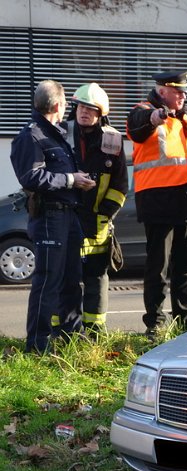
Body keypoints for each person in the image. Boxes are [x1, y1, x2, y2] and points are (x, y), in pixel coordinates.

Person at [10, 80, 96, 353]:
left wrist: (78, 180)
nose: (66, 110)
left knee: (72, 277)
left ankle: (71, 334)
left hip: (68, 216)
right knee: (48, 280)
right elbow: (31, 177)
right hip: (50, 218)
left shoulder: (55, 135)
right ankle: (37, 344)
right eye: (66, 105)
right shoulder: (31, 136)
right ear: (57, 105)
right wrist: (72, 179)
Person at [126, 70, 187, 336]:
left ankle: (186, 320)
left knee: (186, 266)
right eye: (178, 91)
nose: (184, 95)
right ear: (162, 91)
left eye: (185, 91)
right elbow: (138, 126)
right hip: (159, 201)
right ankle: (156, 322)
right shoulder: (144, 111)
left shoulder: (186, 120)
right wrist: (155, 116)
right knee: (157, 267)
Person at [64, 83, 128, 334]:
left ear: (101, 113)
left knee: (96, 279)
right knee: (66, 280)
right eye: (81, 107)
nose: (85, 112)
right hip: (67, 219)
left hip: (98, 223)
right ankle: (65, 334)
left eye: (91, 109)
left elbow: (120, 184)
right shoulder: (61, 133)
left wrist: (105, 212)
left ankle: (94, 333)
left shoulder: (112, 140)